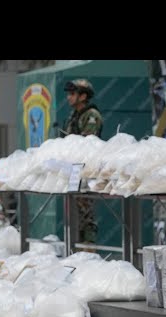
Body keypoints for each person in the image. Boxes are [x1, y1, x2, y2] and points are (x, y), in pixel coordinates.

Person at [62, 79, 103, 246]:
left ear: (83, 96)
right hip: (73, 170)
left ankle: (88, 249)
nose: (69, 98)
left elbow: (88, 143)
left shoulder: (91, 116)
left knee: (86, 213)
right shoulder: (74, 115)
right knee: (73, 213)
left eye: (73, 94)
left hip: (86, 170)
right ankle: (76, 249)